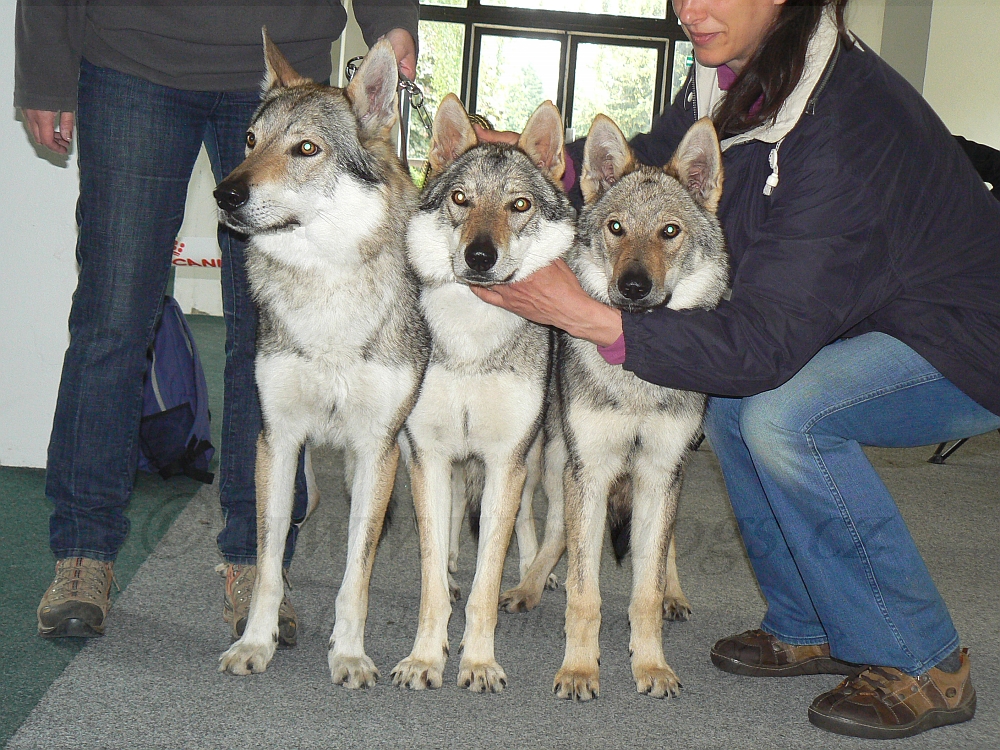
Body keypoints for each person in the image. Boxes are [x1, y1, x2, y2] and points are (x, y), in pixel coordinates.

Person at [474, 0, 1000, 739]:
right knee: (731, 407)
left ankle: (920, 658)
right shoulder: (727, 80)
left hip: (965, 334)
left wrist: (596, 320)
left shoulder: (845, 121)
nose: (689, 9)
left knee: (786, 415)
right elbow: (643, 175)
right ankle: (809, 623)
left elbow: (765, 344)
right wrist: (547, 169)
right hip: (860, 312)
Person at [15, 1, 418, 645]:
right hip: (132, 54)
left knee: (265, 341)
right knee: (111, 322)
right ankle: (84, 555)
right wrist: (43, 69)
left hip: (283, 66)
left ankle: (255, 567)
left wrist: (393, 17)